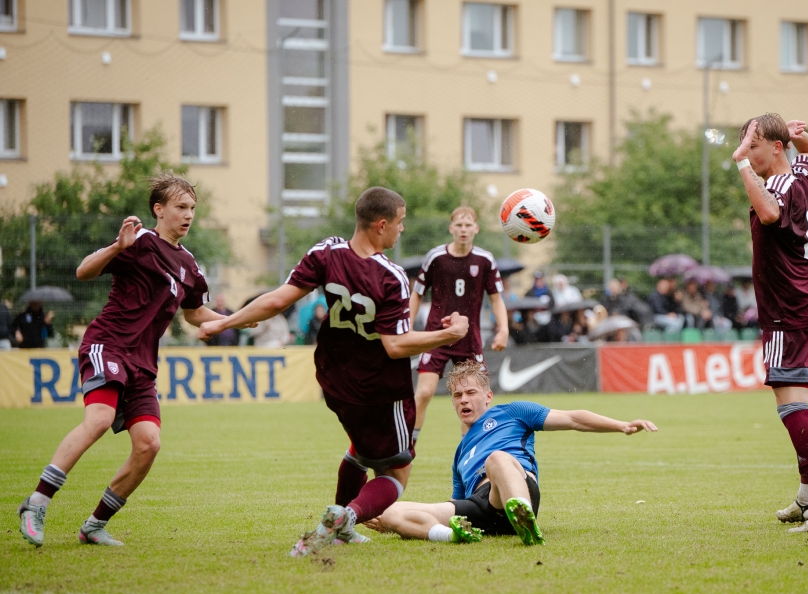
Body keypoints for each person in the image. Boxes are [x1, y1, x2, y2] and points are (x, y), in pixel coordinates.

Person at [196, 187, 469, 557]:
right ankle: (345, 518)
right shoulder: (391, 276)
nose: (401, 231)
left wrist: (224, 323)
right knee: (395, 473)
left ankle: (341, 530)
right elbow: (395, 344)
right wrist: (447, 334)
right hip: (379, 387)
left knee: (360, 449)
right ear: (381, 224)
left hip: (334, 379)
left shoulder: (326, 252)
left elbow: (277, 300)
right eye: (400, 223)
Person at [17, 173, 231, 548]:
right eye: (180, 207)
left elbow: (195, 314)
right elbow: (83, 272)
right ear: (158, 209)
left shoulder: (190, 266)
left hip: (143, 365)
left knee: (149, 444)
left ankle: (94, 525)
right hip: (108, 345)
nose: (188, 215)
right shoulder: (140, 242)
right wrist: (117, 247)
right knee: (98, 420)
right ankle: (37, 502)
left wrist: (237, 319)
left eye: (192, 208)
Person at [364, 360, 656, 545]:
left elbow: (573, 418)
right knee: (389, 512)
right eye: (457, 395)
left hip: (515, 485)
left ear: (488, 397)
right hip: (482, 508)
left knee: (498, 459)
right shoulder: (460, 453)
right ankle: (454, 537)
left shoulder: (514, 413)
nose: (463, 400)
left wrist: (622, 426)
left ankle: (522, 513)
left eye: (471, 393)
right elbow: (458, 503)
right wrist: (387, 517)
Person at [733, 113, 808, 532]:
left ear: (776, 148)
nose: (749, 152)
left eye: (754, 145)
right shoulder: (800, 174)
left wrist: (741, 164)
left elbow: (767, 213)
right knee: (804, 402)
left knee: (792, 407)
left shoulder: (780, 185)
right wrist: (804, 137)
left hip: (790, 310)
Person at [409, 207, 508, 442]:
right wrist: (407, 328)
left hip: (469, 340)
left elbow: (496, 299)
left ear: (476, 229)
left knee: (473, 399)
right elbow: (417, 294)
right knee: (423, 392)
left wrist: (503, 329)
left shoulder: (485, 260)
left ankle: (469, 452)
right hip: (437, 336)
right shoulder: (436, 257)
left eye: (468, 225)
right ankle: (407, 446)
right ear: (451, 228)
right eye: (459, 225)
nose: (463, 230)